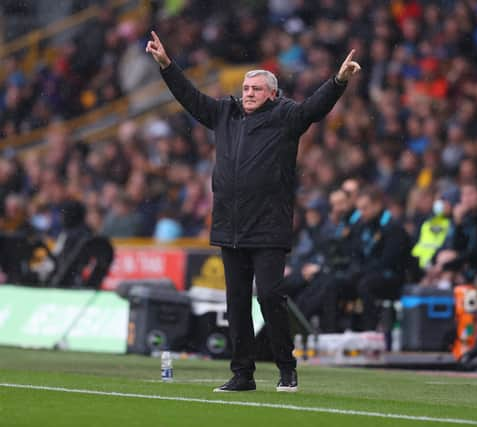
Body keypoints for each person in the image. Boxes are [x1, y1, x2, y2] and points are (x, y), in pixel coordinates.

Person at [146, 30, 360, 392]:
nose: (248, 94)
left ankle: (286, 367)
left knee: (271, 296)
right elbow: (190, 98)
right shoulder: (224, 113)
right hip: (230, 225)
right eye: (246, 88)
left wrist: (338, 81)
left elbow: (315, 108)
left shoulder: (286, 117)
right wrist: (167, 65)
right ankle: (242, 374)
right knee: (237, 303)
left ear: (272, 94)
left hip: (268, 225)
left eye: (256, 89)